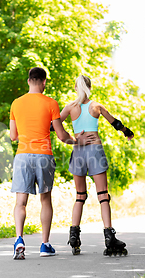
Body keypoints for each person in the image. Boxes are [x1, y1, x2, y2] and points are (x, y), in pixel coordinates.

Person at [9, 67, 93, 260]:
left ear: (28, 81)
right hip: (44, 156)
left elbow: (13, 136)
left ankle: (19, 239)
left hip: (23, 155)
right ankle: (45, 245)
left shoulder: (16, 103)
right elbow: (62, 135)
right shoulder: (51, 103)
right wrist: (76, 140)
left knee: (20, 202)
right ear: (44, 82)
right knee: (45, 200)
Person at [60, 75, 134, 256]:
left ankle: (74, 237)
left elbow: (53, 126)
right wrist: (127, 132)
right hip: (94, 150)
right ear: (89, 87)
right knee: (103, 195)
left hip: (78, 150)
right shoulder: (96, 106)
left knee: (80, 196)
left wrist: (74, 139)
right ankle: (109, 237)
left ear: (76, 88)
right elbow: (115, 123)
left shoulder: (70, 107)